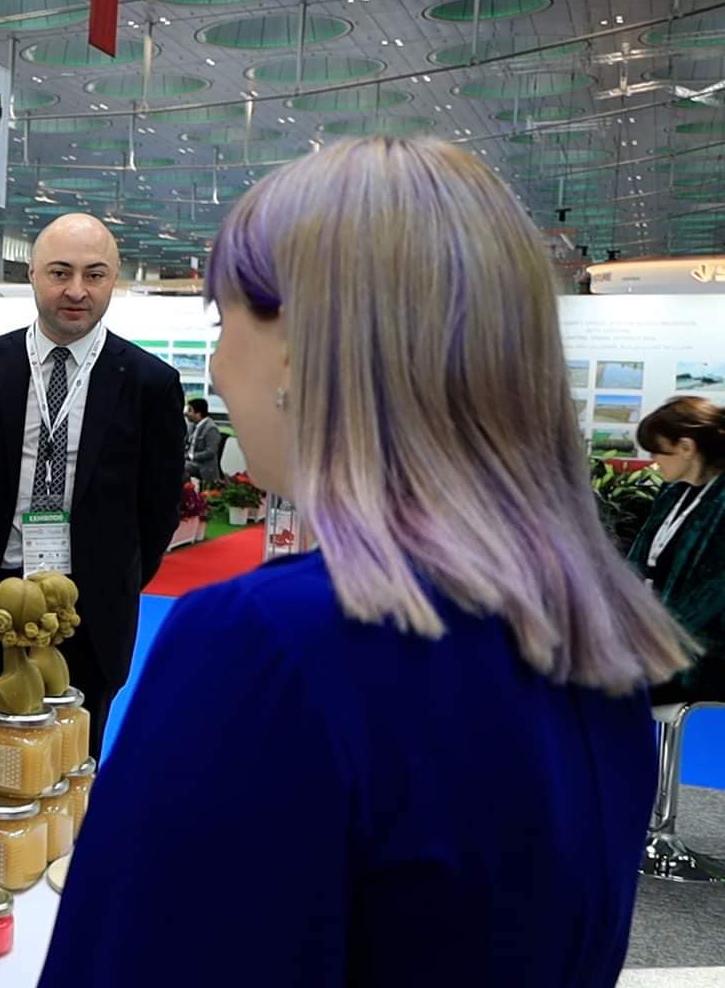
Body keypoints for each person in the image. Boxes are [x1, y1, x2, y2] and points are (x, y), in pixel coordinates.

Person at [39, 137, 691, 987]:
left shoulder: (269, 645)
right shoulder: (595, 633)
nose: (219, 368)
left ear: (300, 344)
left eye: (224, 322)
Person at [0, 213, 183, 758]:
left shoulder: (149, 383)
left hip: (87, 609)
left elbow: (159, 506)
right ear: (32, 274)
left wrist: (115, 580)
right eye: (59, 272)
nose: (76, 290)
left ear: (114, 279)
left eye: (94, 275)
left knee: (71, 761)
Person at [630, 396, 725, 704]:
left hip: (699, 659)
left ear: (686, 447)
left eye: (658, 450)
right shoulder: (673, 491)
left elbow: (713, 592)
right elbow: (642, 557)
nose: (653, 460)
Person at [183, 397, 221, 485]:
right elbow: (185, 442)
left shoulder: (211, 428)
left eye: (189, 410)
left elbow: (210, 452)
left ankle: (188, 491)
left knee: (180, 467)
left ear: (198, 414)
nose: (186, 413)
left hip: (203, 466)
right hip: (190, 462)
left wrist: (191, 456)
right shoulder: (191, 425)